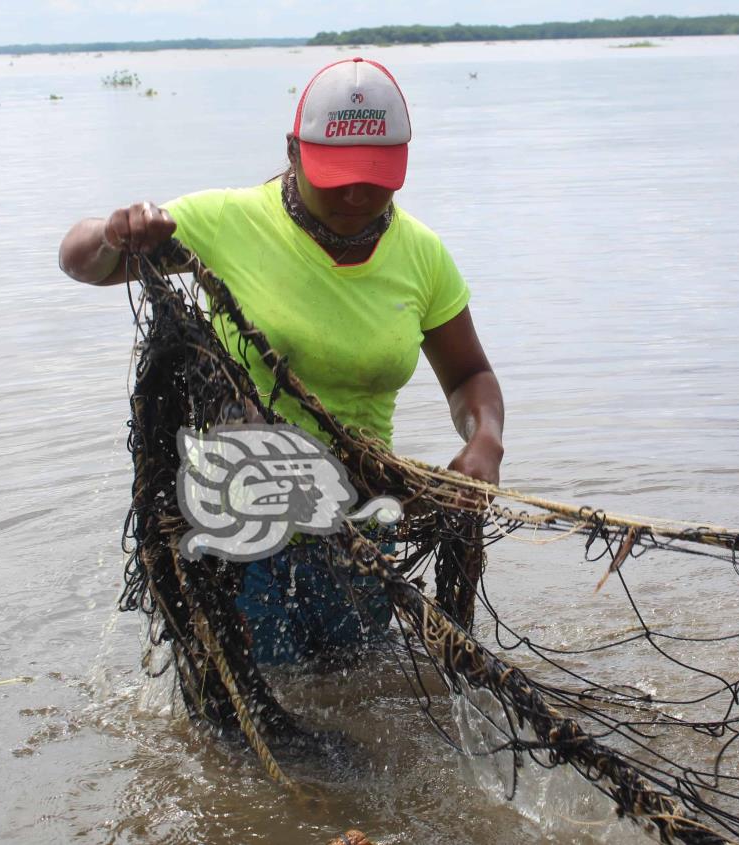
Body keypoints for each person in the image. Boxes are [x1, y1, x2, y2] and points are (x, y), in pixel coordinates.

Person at [59, 57, 504, 664]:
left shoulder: (422, 256)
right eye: (336, 174)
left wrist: (485, 441)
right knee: (257, 700)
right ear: (294, 151)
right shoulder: (226, 222)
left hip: (360, 523)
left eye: (374, 177)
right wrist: (115, 230)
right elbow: (82, 262)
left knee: (357, 692)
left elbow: (469, 377)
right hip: (240, 524)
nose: (354, 193)